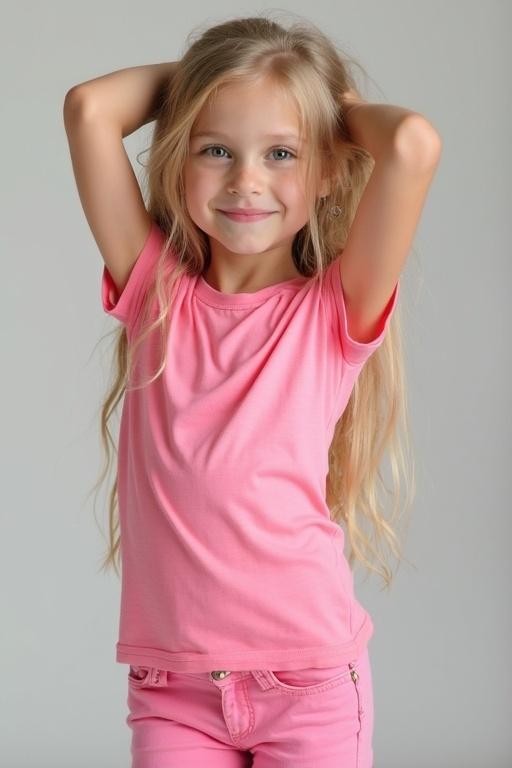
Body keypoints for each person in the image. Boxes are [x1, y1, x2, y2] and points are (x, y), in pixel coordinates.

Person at [63, 12, 441, 768]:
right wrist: (209, 83)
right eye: (216, 150)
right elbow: (88, 111)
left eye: (281, 153)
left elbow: (411, 145)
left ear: (329, 169)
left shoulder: (335, 310)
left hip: (307, 684)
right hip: (174, 690)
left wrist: (314, 105)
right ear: (178, 158)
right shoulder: (155, 296)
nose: (246, 181)